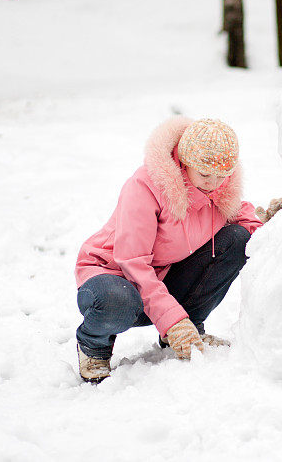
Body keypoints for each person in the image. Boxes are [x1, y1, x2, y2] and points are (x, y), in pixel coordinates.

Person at [74, 117, 263, 383]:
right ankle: (94, 345)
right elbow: (132, 261)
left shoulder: (218, 188)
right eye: (205, 174)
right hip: (114, 276)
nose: (213, 183)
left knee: (237, 238)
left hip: (160, 278)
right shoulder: (147, 186)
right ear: (185, 163)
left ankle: (189, 329)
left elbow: (243, 217)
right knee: (117, 302)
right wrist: (170, 319)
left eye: (222, 175)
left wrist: (269, 221)